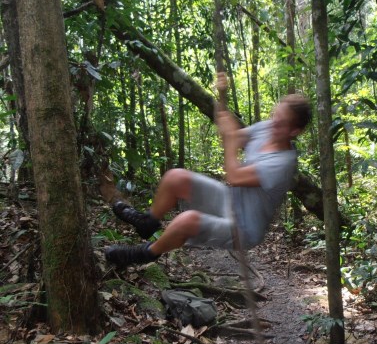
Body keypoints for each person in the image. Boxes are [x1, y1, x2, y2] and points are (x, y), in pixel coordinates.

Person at [104, 73, 311, 267]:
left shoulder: (282, 164)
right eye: (275, 115)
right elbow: (234, 135)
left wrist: (230, 137)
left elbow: (234, 175)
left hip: (244, 228)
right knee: (175, 178)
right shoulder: (268, 128)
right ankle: (148, 222)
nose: (273, 123)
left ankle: (143, 254)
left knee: (187, 220)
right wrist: (221, 99)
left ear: (294, 131)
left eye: (281, 122)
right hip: (230, 200)